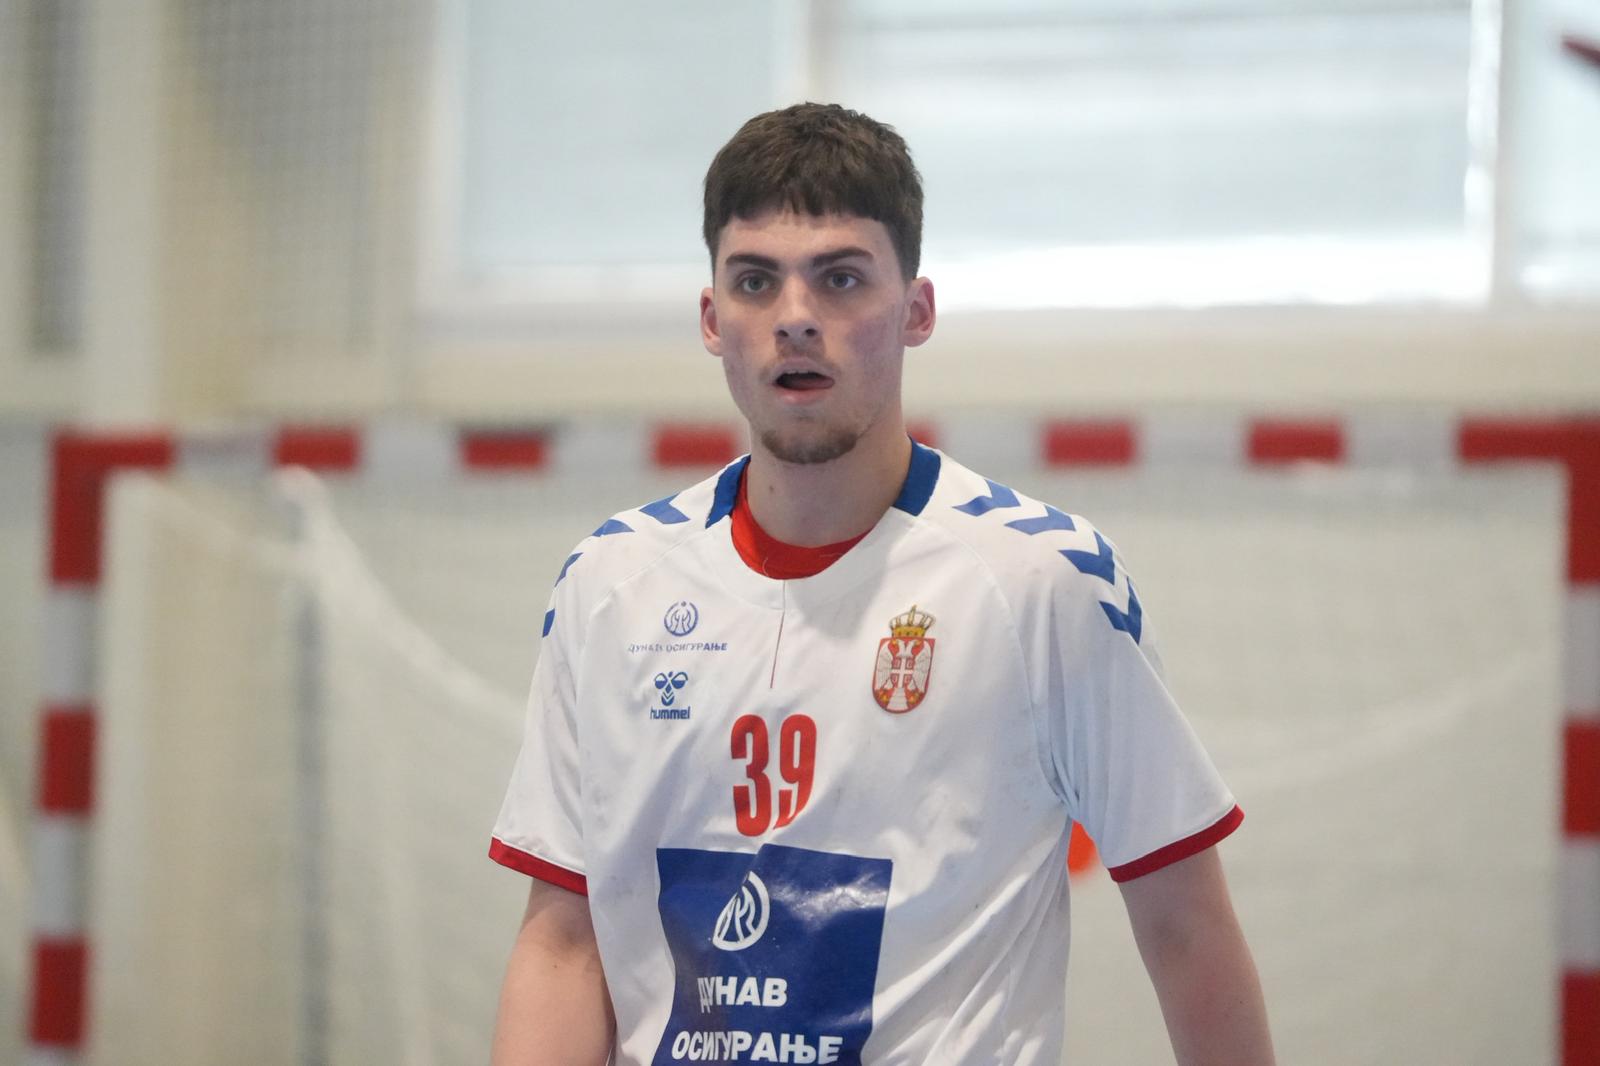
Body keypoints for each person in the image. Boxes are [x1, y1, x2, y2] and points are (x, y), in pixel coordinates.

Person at [488, 102, 1274, 1066]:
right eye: (755, 281)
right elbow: (563, 944)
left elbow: (1186, 930)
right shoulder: (610, 584)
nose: (795, 317)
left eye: (841, 277)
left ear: (917, 311)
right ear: (712, 320)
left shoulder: (1045, 583)